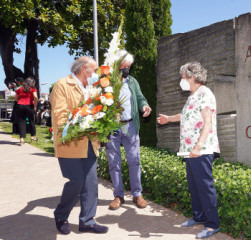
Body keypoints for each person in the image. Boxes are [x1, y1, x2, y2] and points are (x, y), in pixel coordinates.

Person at [157, 61, 221, 239]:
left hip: (201, 149)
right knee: (194, 186)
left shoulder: (205, 94)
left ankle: (212, 224)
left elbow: (207, 122)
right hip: (189, 150)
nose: (182, 81)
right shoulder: (193, 95)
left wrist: (198, 146)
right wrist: (168, 119)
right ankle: (198, 216)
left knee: (204, 187)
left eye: (183, 77)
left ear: (192, 77)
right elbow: (186, 116)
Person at [50, 56, 108, 235]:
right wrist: (82, 123)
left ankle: (87, 222)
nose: (96, 73)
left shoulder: (92, 88)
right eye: (94, 69)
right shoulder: (62, 85)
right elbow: (60, 115)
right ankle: (61, 215)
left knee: (91, 183)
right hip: (70, 143)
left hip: (91, 142)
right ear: (85, 69)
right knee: (77, 181)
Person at [105, 50, 152, 210]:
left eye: (128, 67)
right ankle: (118, 196)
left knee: (134, 160)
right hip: (112, 127)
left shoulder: (132, 81)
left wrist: (144, 106)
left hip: (130, 125)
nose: (125, 69)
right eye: (123, 66)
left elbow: (140, 98)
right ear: (116, 65)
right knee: (114, 162)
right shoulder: (106, 82)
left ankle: (137, 194)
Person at [14, 76, 38, 145]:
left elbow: (15, 98)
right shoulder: (33, 88)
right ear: (32, 82)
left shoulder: (20, 88)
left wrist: (21, 102)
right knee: (31, 121)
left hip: (20, 106)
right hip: (29, 105)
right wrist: (35, 106)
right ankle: (32, 137)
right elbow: (35, 97)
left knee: (21, 122)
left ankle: (21, 139)